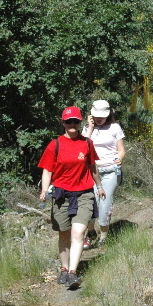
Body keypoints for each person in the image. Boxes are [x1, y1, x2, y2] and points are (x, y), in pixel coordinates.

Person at [38, 106, 106, 289]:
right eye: (69, 121)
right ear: (63, 123)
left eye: (76, 121)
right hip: (61, 195)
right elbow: (47, 170)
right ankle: (64, 268)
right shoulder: (55, 144)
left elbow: (92, 167)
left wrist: (99, 186)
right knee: (64, 234)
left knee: (78, 233)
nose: (72, 125)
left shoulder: (87, 144)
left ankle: (72, 272)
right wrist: (45, 190)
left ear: (80, 122)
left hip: (84, 193)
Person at [82, 100, 125, 250]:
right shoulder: (87, 128)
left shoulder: (115, 128)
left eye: (102, 116)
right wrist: (91, 127)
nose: (99, 118)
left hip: (111, 170)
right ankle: (91, 232)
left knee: (105, 203)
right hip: (92, 171)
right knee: (90, 203)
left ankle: (104, 236)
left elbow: (121, 150)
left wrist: (119, 159)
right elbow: (83, 147)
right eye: (96, 116)